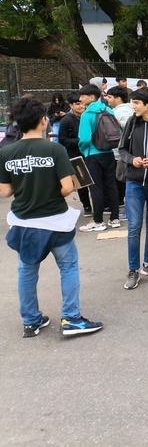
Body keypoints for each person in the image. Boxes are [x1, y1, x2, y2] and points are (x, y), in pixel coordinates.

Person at [0, 97, 103, 337]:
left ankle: (31, 321)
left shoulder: (7, 152)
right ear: (43, 120)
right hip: (55, 220)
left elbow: (5, 191)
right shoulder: (54, 149)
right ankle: (72, 319)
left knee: (27, 270)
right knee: (67, 267)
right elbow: (67, 187)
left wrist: (26, 184)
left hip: (24, 221)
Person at [118, 88, 148, 290]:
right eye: (133, 102)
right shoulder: (132, 122)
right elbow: (122, 149)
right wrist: (132, 160)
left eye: (137, 103)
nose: (133, 106)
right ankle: (133, 269)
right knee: (134, 226)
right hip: (134, 182)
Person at [77, 83, 120, 232]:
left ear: (92, 97)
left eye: (83, 96)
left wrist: (84, 150)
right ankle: (115, 219)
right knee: (111, 185)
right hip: (109, 153)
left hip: (93, 154)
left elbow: (84, 139)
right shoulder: (108, 110)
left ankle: (98, 221)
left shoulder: (87, 114)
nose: (80, 99)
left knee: (96, 188)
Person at [58, 93, 93, 217]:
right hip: (75, 155)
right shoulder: (67, 120)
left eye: (82, 103)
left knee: (94, 180)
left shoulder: (88, 116)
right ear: (71, 105)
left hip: (90, 153)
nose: (81, 106)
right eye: (77, 104)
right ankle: (87, 206)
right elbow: (62, 139)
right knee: (82, 182)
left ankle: (101, 204)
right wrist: (80, 141)